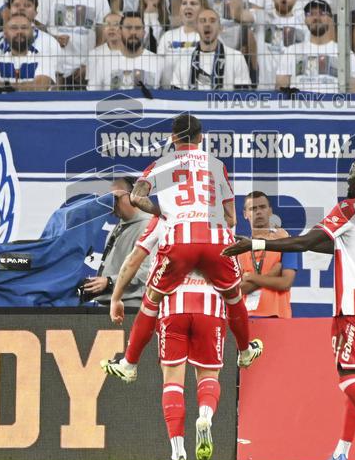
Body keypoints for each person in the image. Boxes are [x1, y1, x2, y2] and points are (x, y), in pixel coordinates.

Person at [223, 156, 355, 460]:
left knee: (349, 380)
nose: (347, 181)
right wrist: (298, 242)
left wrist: (257, 245)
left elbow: (309, 241)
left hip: (353, 305)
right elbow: (337, 245)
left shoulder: (350, 209)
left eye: (352, 175)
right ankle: (342, 452)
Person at [103, 113, 264, 383]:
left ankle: (130, 363)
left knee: (152, 299)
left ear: (172, 138)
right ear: (201, 138)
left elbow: (136, 197)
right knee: (233, 296)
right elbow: (231, 217)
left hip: (180, 241)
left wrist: (163, 212)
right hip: (215, 242)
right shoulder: (216, 165)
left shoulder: (160, 165)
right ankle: (246, 350)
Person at [109, 215, 227, 460]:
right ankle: (205, 416)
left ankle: (178, 453)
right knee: (208, 376)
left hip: (173, 306)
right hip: (211, 306)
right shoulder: (220, 222)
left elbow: (134, 260)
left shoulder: (164, 219)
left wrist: (116, 296)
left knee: (172, 382)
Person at [79, 177, 153, 308]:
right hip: (111, 305)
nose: (111, 204)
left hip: (130, 308)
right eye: (108, 200)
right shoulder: (119, 226)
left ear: (134, 196)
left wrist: (109, 282)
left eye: (115, 198)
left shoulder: (149, 226)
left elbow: (147, 272)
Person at [237, 191, 297, 318]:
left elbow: (286, 283)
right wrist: (271, 275)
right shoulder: (238, 249)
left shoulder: (286, 241)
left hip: (277, 318)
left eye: (262, 207)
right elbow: (236, 291)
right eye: (253, 208)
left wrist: (250, 277)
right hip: (244, 319)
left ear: (270, 211)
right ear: (245, 214)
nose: (258, 212)